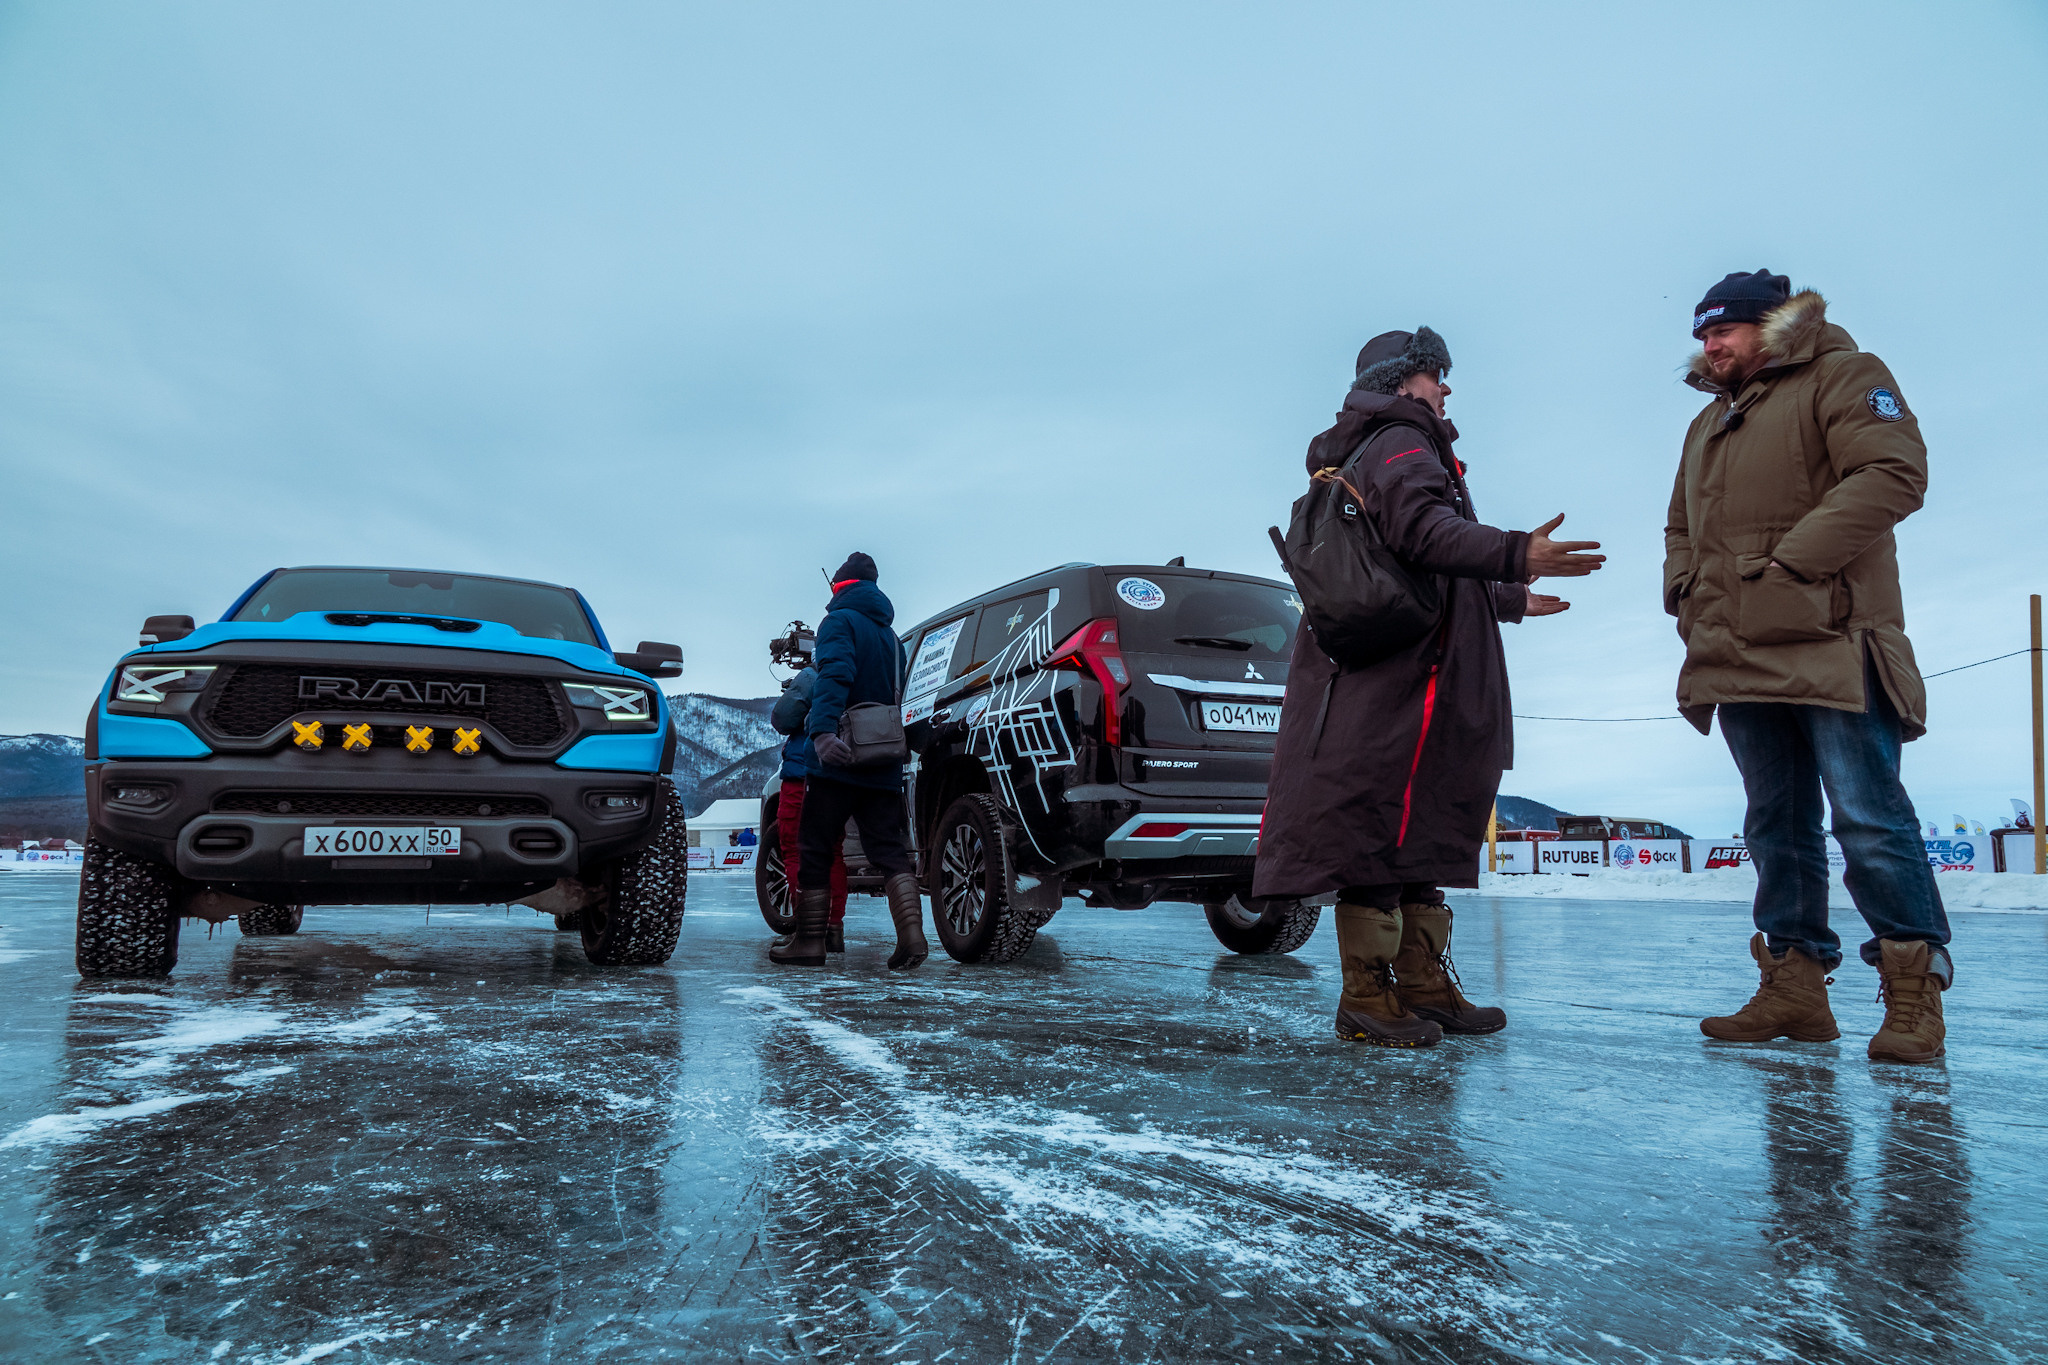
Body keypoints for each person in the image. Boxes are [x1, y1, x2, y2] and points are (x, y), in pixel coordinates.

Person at [1255, 327, 1605, 1047]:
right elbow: (1423, 533)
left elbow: (1416, 566)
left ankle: (1419, 983)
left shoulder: (1383, 447)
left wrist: (1506, 598)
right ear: (1402, 382)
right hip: (1401, 687)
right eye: (1436, 376)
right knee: (1383, 835)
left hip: (1399, 680)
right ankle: (1367, 995)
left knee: (1412, 834)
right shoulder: (1401, 441)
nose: (1446, 389)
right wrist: (1515, 552)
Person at [1667, 270, 1951, 1064]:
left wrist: (1793, 566)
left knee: (1867, 816)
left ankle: (1913, 989)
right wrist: (1682, 589)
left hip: (1832, 640)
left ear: (1775, 326)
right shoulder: (1707, 423)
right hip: (1734, 649)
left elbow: (1895, 472)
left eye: (1722, 330)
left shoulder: (1846, 375)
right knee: (1775, 824)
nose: (1709, 345)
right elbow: (1677, 523)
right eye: (1702, 334)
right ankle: (1795, 985)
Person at [773, 552, 928, 970]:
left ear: (842, 587)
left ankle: (809, 942)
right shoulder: (892, 638)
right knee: (888, 849)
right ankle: (912, 937)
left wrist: (822, 733)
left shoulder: (839, 623)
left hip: (840, 757)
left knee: (816, 846)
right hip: (884, 759)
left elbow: (835, 675)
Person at [770, 663, 851, 953]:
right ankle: (834, 928)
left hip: (801, 774)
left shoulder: (815, 674)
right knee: (834, 853)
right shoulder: (865, 671)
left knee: (794, 849)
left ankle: (808, 931)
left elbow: (782, 718)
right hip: (839, 774)